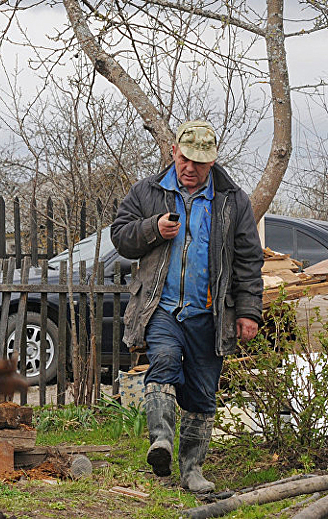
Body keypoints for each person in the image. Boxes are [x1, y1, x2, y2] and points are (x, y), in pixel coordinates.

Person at [111, 120, 263, 493]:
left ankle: (191, 470)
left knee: (201, 392)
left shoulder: (232, 200)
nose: (190, 169)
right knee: (162, 361)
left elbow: (247, 259)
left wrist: (248, 311)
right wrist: (151, 229)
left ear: (212, 162)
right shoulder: (148, 192)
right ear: (174, 152)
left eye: (199, 162)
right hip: (161, 307)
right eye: (184, 159)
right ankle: (160, 440)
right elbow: (120, 236)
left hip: (210, 314)